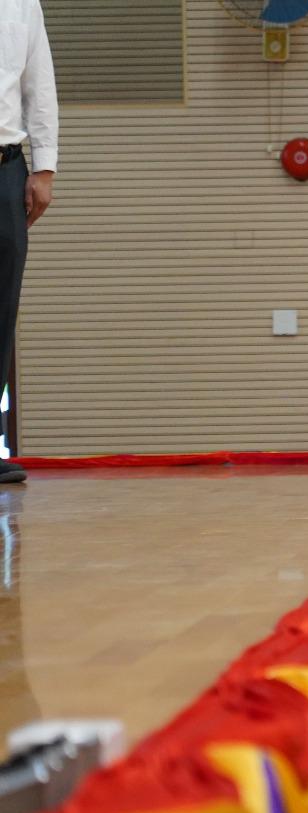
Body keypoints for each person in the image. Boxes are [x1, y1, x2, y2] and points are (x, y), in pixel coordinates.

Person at [0, 0, 57, 482]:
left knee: (1, 308)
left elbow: (39, 83)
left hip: (6, 166)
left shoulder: (21, 2)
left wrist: (44, 167)